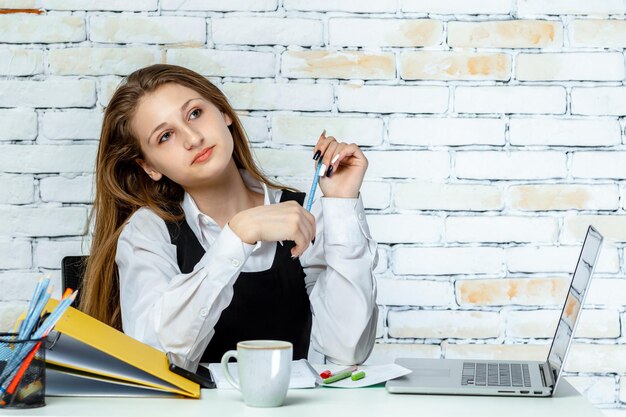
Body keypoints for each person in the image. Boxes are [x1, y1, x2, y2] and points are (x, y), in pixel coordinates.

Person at [80, 64, 378, 370]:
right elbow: (156, 360)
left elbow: (348, 352)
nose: (192, 138)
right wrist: (237, 236)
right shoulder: (149, 231)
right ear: (149, 167)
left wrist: (341, 204)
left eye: (195, 113)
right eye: (165, 136)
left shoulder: (302, 212)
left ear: (225, 114)